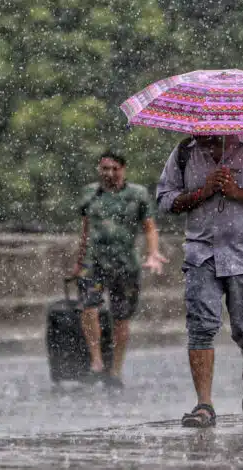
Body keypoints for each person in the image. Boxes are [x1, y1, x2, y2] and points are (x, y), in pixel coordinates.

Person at [156, 134, 243, 427]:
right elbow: (166, 200)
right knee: (200, 327)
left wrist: (237, 192)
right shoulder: (183, 151)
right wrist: (201, 193)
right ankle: (204, 405)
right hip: (201, 254)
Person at [72, 150, 168, 389]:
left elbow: (149, 227)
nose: (110, 174)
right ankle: (96, 362)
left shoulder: (138, 194)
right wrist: (79, 259)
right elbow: (85, 228)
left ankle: (115, 369)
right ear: (99, 169)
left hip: (125, 264)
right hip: (94, 263)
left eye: (115, 169)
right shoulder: (89, 193)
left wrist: (153, 252)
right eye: (105, 169)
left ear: (123, 170)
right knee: (88, 307)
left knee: (121, 318)